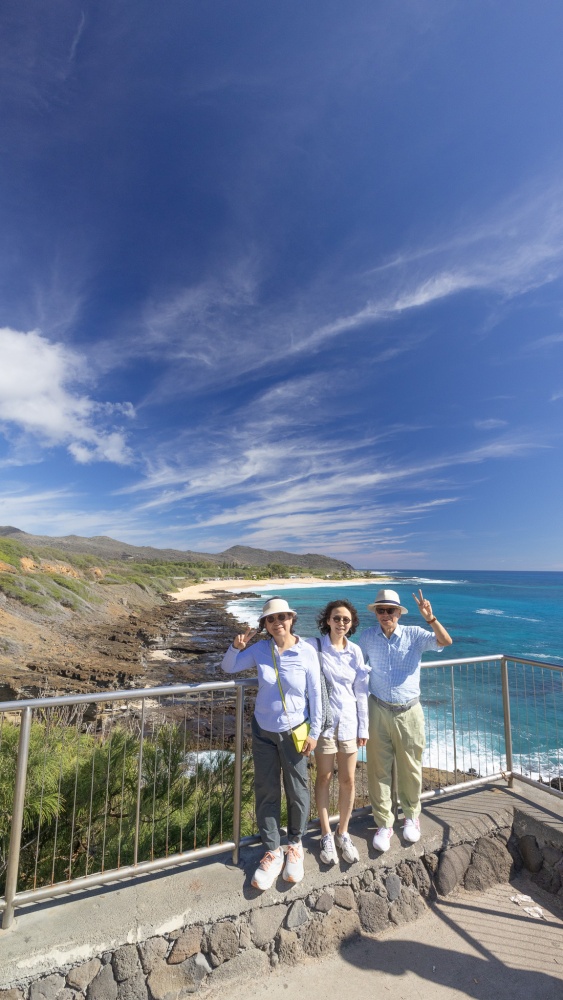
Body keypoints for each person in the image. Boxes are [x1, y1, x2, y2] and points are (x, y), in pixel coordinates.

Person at [221, 597, 322, 890]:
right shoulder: (261, 650)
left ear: (291, 619)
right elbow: (228, 668)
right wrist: (235, 648)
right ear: (265, 625)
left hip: (295, 732)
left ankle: (295, 843)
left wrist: (314, 732)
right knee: (266, 789)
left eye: (282, 617)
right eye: (271, 619)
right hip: (263, 730)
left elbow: (316, 694)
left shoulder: (306, 652)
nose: (277, 622)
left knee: (297, 788)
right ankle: (273, 849)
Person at [358, 588, 452, 852]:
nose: (385, 614)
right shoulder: (367, 637)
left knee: (411, 767)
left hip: (409, 711)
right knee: (378, 769)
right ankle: (384, 823)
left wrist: (430, 619)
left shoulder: (415, 634)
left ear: (399, 613)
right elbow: (354, 666)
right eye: (381, 610)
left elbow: (445, 642)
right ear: (375, 613)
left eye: (390, 610)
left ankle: (411, 817)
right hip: (377, 709)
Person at [308, 599, 369, 866]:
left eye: (346, 619)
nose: (341, 623)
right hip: (324, 725)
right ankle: (325, 834)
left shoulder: (355, 651)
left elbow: (361, 691)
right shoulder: (315, 646)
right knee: (324, 776)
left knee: (348, 780)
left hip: (350, 723)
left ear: (352, 623)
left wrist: (364, 726)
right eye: (336, 618)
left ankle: (342, 832)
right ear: (327, 620)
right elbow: (287, 646)